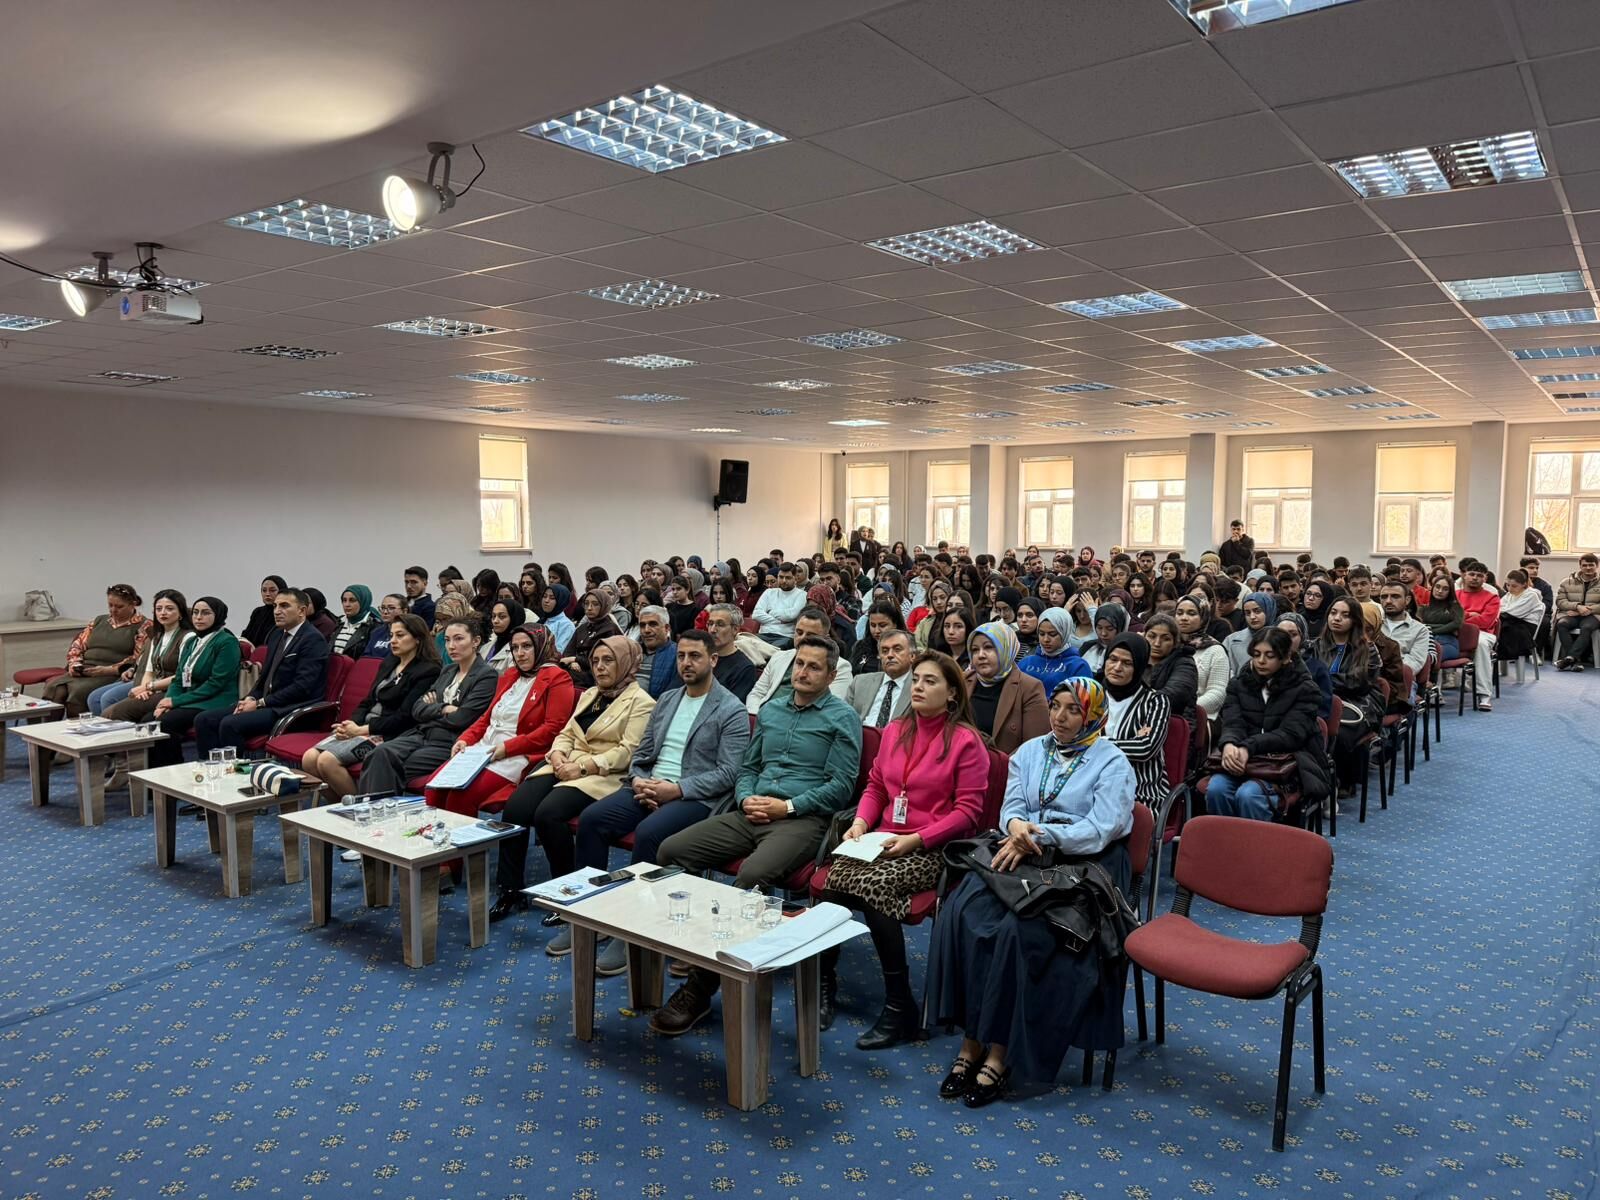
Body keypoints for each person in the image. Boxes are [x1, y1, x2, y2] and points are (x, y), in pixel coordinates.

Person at [925, 678, 1134, 1107]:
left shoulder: (1113, 763)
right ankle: (971, 1040)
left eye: (1072, 710)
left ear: (1092, 715)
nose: (1058, 717)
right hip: (1025, 852)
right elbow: (1012, 807)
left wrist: (1040, 834)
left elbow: (1099, 830)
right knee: (964, 911)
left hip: (1082, 865)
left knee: (1019, 931)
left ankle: (1000, 1050)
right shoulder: (1031, 751)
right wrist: (1017, 828)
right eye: (1055, 706)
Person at [648, 637, 862, 1037]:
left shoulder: (841, 717)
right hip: (752, 811)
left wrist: (788, 807)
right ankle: (695, 947)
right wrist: (746, 797)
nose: (803, 672)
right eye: (800, 663)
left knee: (750, 878)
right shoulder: (773, 709)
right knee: (672, 850)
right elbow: (748, 767)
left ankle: (700, 988)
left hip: (802, 819)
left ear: (832, 675)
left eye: (814, 667)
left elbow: (841, 786)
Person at [822, 651, 988, 1050]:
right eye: (916, 679)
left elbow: (969, 812)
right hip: (883, 837)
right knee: (832, 883)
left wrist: (917, 839)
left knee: (875, 892)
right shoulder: (896, 729)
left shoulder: (967, 742)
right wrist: (861, 823)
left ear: (951, 694)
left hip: (934, 847)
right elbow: (877, 786)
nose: (918, 686)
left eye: (930, 681)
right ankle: (823, 984)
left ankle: (900, 1007)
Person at [570, 630, 751, 974]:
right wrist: (639, 779)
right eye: (682, 655)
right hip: (648, 787)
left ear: (713, 660)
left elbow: (729, 773)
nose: (686, 662)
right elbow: (641, 753)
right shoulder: (667, 699)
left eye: (695, 656)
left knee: (650, 833)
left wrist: (677, 789)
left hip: (695, 796)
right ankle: (592, 913)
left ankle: (634, 931)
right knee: (593, 819)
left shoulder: (731, 709)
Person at [490, 637, 655, 944]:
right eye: (595, 661)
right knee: (514, 809)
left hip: (601, 775)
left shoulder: (642, 702)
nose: (600, 667)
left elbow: (627, 752)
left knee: (548, 814)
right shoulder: (590, 694)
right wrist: (556, 755)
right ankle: (510, 889)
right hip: (564, 763)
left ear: (627, 663)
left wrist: (582, 768)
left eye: (609, 660)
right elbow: (565, 733)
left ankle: (566, 891)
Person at [423, 625, 578, 841]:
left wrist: (507, 748)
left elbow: (552, 730)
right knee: (434, 787)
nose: (520, 653)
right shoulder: (511, 674)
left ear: (541, 647)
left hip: (517, 754)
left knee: (460, 795)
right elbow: (487, 717)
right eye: (515, 647)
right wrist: (464, 739)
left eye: (527, 646)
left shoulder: (557, 677)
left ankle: (456, 862)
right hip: (483, 749)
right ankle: (433, 851)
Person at [299, 614, 441, 803]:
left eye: (400, 635)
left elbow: (405, 717)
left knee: (327, 761)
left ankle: (362, 808)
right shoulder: (390, 662)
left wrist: (361, 730)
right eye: (391, 635)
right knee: (309, 759)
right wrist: (349, 725)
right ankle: (340, 806)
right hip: (362, 727)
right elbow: (367, 700)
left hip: (388, 733)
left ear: (417, 639)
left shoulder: (427, 670)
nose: (393, 641)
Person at [358, 616, 497, 797]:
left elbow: (462, 718)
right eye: (447, 640)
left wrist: (433, 707)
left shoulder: (486, 676)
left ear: (476, 641)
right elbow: (417, 709)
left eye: (458, 639)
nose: (451, 646)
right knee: (378, 753)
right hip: (421, 734)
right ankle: (376, 812)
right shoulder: (448, 670)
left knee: (389, 765)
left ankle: (374, 813)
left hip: (448, 741)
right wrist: (444, 708)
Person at [194, 588, 329, 758]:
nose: (277, 611)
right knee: (204, 719)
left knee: (230, 724)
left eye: (284, 606)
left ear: (302, 611)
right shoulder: (276, 635)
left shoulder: (313, 639)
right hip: (268, 703)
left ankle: (233, 778)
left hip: (292, 709)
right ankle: (210, 772)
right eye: (275, 606)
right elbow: (264, 678)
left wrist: (259, 703)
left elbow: (302, 687)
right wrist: (250, 697)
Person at [1206, 628, 1323, 820]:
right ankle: (1226, 845)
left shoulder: (1305, 689)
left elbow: (1290, 735)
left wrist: (1247, 747)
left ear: (1286, 658)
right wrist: (1228, 744)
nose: (1261, 661)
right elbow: (1233, 722)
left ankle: (1256, 848)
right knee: (1217, 789)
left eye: (1270, 656)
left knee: (1249, 795)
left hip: (1286, 762)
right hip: (1245, 758)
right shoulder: (1239, 684)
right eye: (1256, 654)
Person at [147, 597, 241, 768]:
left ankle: (173, 774)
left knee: (165, 723)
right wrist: (166, 702)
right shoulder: (191, 642)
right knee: (150, 720)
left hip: (216, 699)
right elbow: (178, 678)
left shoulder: (227, 642)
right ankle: (157, 781)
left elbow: (216, 683)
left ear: (218, 615)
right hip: (192, 698)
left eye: (205, 613)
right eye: (195, 612)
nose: (198, 617)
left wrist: (176, 701)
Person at [45, 585, 153, 717]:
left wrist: (108, 669)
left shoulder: (144, 625)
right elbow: (77, 645)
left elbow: (138, 658)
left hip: (111, 673)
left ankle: (78, 731)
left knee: (78, 692)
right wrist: (74, 664)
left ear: (133, 604)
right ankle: (45, 732)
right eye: (110, 605)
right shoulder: (99, 620)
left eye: (119, 607)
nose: (113, 610)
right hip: (86, 669)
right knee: (55, 688)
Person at [1315, 596, 1382, 798]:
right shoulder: (1316, 645)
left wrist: (1324, 680)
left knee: (1340, 734)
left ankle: (1344, 781)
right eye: (1333, 613)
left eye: (1345, 615)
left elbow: (1358, 683)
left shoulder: (1367, 649)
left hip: (1359, 705)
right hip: (1323, 700)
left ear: (1355, 620)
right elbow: (1306, 677)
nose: (1337, 618)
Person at [1097, 634, 1171, 810]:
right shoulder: (1093, 696)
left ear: (1138, 667)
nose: (1117, 667)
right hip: (1092, 787)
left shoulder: (1155, 701)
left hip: (1139, 794)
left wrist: (1097, 744)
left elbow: (1146, 747)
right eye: (1112, 659)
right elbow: (1072, 739)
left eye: (1127, 663)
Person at [101, 589, 193, 726]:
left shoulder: (188, 637)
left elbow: (185, 676)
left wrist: (149, 687)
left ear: (180, 613)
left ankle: (129, 746)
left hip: (176, 690)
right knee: (111, 711)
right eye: (159, 609)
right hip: (155, 688)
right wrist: (144, 689)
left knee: (114, 713)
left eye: (169, 609)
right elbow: (149, 672)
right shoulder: (157, 637)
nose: (163, 613)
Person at [745, 607, 854, 713]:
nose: (802, 638)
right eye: (799, 632)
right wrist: (757, 716)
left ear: (826, 638)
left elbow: (831, 708)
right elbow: (757, 693)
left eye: (811, 635)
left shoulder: (840, 667)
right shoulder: (779, 656)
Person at [965, 622, 1048, 755]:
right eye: (975, 650)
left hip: (1007, 771)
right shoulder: (963, 681)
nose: (981, 655)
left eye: (988, 647)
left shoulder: (1030, 688)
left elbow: (1033, 747)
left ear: (1006, 649)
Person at [1174, 596, 1230, 719]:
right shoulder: (1168, 645)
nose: (1183, 618)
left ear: (1203, 617)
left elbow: (1217, 693)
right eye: (1179, 613)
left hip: (1199, 717)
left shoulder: (1214, 650)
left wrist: (1185, 710)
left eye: (1191, 613)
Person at [845, 629, 915, 727]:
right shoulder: (859, 683)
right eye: (884, 651)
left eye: (897, 649)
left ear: (912, 656)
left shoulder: (919, 687)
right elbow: (844, 721)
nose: (890, 655)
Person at [1456, 562, 1500, 712]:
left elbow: (1485, 621)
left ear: (1485, 578)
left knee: (1479, 643)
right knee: (1435, 640)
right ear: (1464, 575)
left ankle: (1484, 694)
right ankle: (1436, 692)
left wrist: (1461, 616)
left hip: (1483, 633)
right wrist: (1471, 614)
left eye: (1479, 576)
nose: (1475, 578)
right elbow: (1447, 617)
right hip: (1455, 631)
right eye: (1471, 574)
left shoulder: (1492, 597)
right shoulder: (1455, 595)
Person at [1016, 606, 1090, 693]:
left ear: (1064, 633)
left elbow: (1083, 700)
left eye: (1052, 634)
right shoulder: (1026, 662)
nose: (1046, 639)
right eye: (1042, 634)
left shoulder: (1078, 666)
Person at [1378, 580, 1430, 693]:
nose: (1388, 601)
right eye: (1384, 597)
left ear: (1407, 600)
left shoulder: (1420, 630)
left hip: (1402, 681)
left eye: (1395, 597)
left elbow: (1415, 662)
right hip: (1374, 679)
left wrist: (1388, 670)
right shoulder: (1374, 625)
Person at [1143, 613, 1198, 718]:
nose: (1157, 643)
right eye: (1152, 636)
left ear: (1175, 642)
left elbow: (1174, 695)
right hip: (1136, 719)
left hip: (1173, 722)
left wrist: (1133, 702)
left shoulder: (1185, 663)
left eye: (1165, 639)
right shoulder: (1136, 658)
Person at [703, 603, 759, 700]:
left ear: (735, 629)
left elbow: (730, 708)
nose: (712, 630)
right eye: (710, 624)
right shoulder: (700, 657)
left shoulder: (744, 668)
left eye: (720, 624)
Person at [1555, 552, 1600, 670]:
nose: (1588, 568)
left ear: (1597, 566)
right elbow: (1560, 602)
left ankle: (1570, 658)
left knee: (1587, 628)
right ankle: (1575, 661)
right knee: (1562, 624)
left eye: (1591, 565)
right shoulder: (1566, 582)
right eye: (1585, 565)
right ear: (1580, 566)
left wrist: (1587, 609)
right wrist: (1577, 606)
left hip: (1593, 615)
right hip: (1571, 614)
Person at [1498, 569, 1543, 683]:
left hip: (1526, 627)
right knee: (1500, 624)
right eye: (1508, 585)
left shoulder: (1531, 595)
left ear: (1524, 584)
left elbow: (1513, 613)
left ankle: (1497, 658)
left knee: (1502, 626)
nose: (1509, 588)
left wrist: (1504, 611)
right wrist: (1503, 611)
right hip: (1512, 622)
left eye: (1514, 586)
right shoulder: (1509, 594)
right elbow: (1499, 609)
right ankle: (1497, 664)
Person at [751, 562, 807, 648]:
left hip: (785, 637)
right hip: (763, 634)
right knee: (742, 643)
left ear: (795, 578)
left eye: (788, 578)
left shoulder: (802, 595)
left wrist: (770, 612)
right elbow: (756, 615)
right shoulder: (769, 592)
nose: (784, 581)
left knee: (771, 650)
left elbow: (791, 615)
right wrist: (780, 621)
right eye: (781, 577)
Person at [1222, 591, 1277, 673]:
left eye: (1257, 611)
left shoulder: (1281, 638)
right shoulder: (1232, 640)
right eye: (1247, 613)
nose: (1252, 617)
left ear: (1268, 610)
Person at [1418, 574, 1463, 666]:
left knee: (1429, 657)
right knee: (1418, 656)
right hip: (1426, 642)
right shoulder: (1423, 608)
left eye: (1445, 589)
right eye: (1437, 587)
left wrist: (1430, 629)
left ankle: (1432, 680)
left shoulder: (1455, 607)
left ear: (1450, 592)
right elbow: (1419, 625)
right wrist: (1442, 626)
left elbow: (1456, 624)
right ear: (1432, 587)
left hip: (1447, 643)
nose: (1440, 591)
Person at [851, 602, 906, 676]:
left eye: (882, 625)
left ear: (895, 624)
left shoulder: (907, 649)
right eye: (873, 625)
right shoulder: (860, 647)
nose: (877, 631)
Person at [634, 605, 678, 697]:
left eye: (653, 624)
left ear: (667, 628)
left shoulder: (678, 655)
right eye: (642, 625)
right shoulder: (632, 652)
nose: (646, 630)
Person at [327, 585, 378, 659]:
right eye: (344, 600)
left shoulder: (373, 626)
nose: (347, 605)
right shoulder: (339, 622)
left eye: (352, 600)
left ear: (363, 601)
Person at [1078, 603, 1127, 675]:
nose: (1103, 633)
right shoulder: (1088, 647)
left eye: (1110, 629)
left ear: (1120, 628)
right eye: (1099, 628)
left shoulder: (1126, 653)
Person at [482, 598, 528, 673]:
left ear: (514, 619)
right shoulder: (485, 647)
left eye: (502, 616)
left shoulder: (518, 651)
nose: (495, 621)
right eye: (493, 616)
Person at [241, 575, 287, 647]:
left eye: (272, 590)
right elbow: (246, 635)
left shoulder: (286, 613)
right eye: (264, 590)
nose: (267, 594)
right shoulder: (258, 612)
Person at [535, 583, 577, 653]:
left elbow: (558, 651)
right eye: (544, 596)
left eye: (552, 598)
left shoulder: (566, 625)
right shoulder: (542, 620)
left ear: (561, 601)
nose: (546, 600)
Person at [403, 566, 435, 630]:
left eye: (414, 582)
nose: (409, 586)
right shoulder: (401, 602)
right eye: (406, 582)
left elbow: (424, 633)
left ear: (425, 583)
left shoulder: (430, 607)